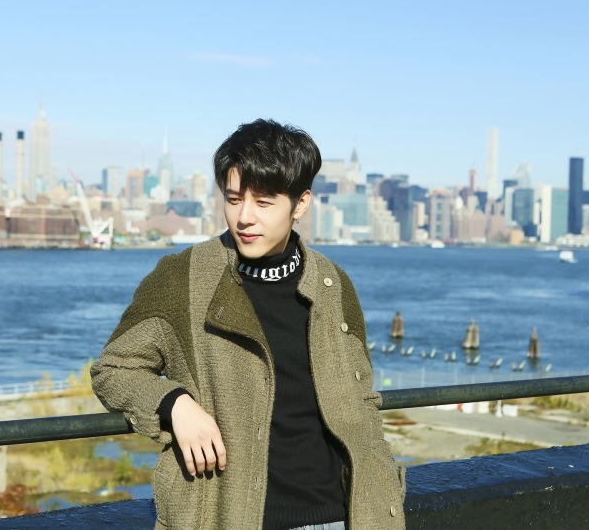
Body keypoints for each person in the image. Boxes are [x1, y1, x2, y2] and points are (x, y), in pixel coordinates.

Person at [91, 119, 405, 530]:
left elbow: (362, 402)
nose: (244, 217)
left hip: (339, 517)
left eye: (263, 202)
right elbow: (112, 370)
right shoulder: (183, 279)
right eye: (234, 199)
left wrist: (384, 493)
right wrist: (174, 403)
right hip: (226, 517)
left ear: (300, 204)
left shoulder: (333, 285)